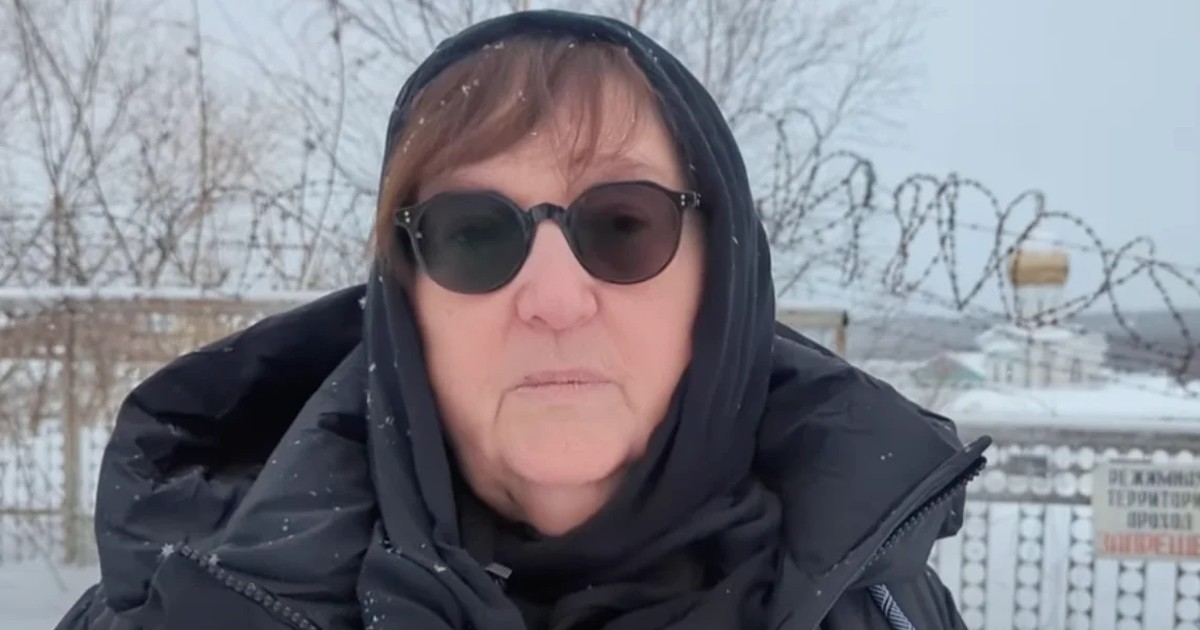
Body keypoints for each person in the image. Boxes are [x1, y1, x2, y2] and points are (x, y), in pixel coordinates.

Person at [56, 9, 989, 630]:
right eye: (473, 234)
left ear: (721, 283)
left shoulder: (880, 608)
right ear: (405, 304)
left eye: (624, 224)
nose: (552, 296)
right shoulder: (186, 607)